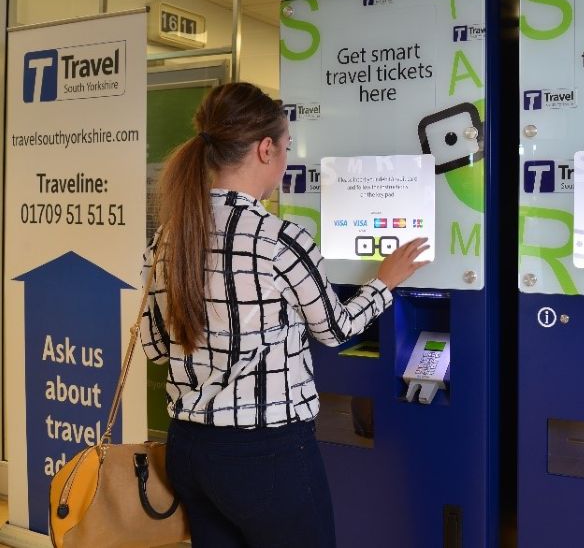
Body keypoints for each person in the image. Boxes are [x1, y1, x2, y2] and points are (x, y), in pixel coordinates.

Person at [139, 82, 428, 547]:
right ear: (265, 148)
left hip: (189, 449)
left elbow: (156, 349)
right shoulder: (278, 239)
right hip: (265, 453)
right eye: (287, 148)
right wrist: (385, 281)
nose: (288, 162)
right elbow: (335, 330)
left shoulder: (170, 235)